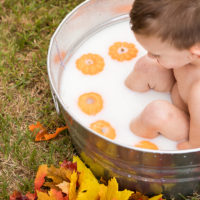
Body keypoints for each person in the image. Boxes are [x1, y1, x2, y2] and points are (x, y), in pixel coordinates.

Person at [125, 0, 200, 150]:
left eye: (156, 53)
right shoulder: (187, 52)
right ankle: (122, 99)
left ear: (195, 51)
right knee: (146, 65)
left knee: (155, 114)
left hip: (193, 127)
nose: (150, 55)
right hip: (179, 92)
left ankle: (126, 140)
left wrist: (192, 146)